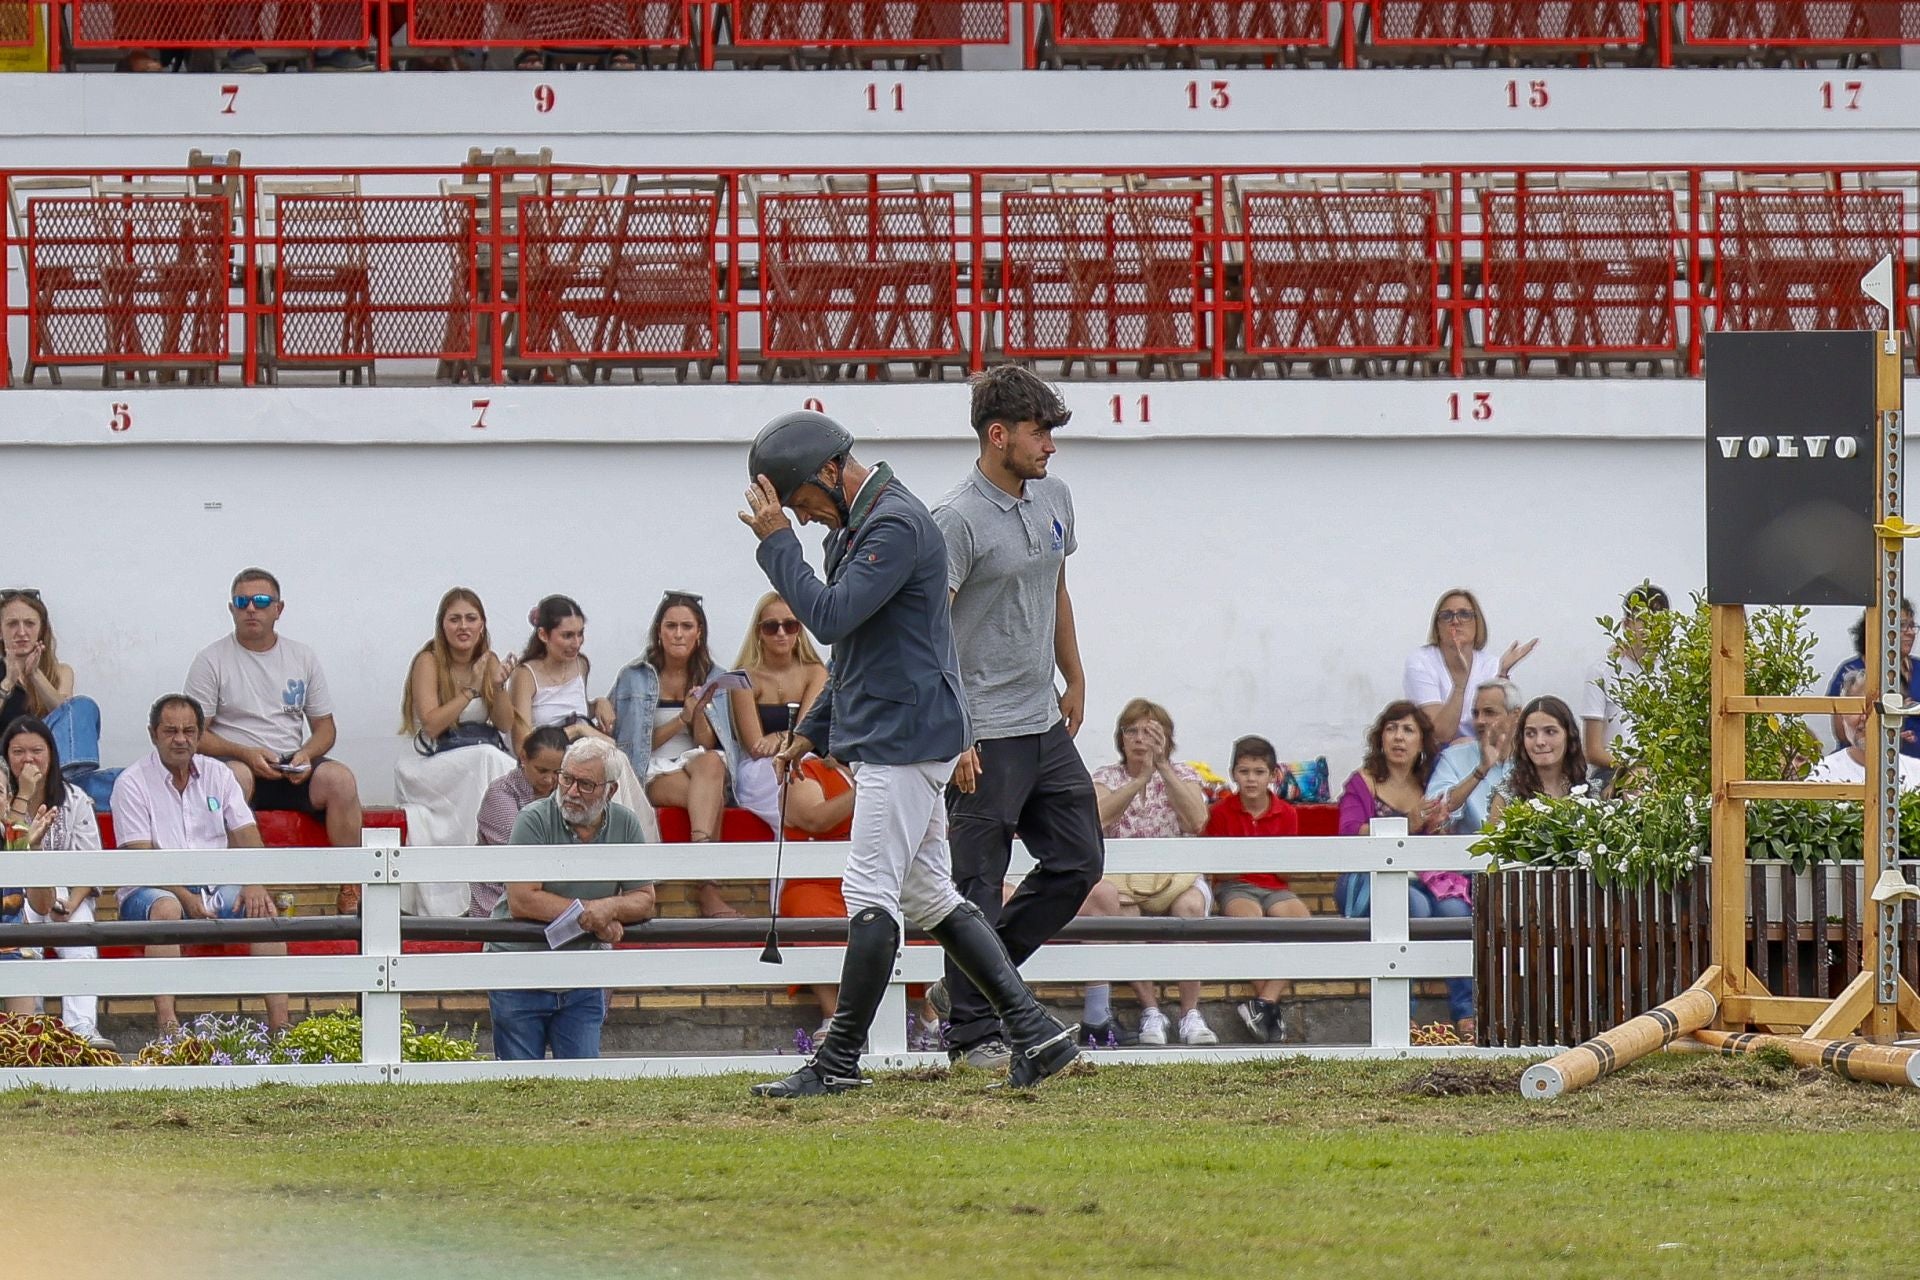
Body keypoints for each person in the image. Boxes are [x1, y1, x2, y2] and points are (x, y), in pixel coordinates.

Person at [738, 408, 1080, 1096]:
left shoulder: (894, 526)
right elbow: (855, 647)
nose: (801, 519)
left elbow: (829, 618)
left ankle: (836, 1062)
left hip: (904, 738)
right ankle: (1034, 1030)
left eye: (802, 503)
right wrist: (814, 729)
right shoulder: (866, 525)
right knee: (928, 894)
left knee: (868, 891)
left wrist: (777, 547)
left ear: (831, 474)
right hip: (905, 732)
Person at [930, 365, 1105, 1071]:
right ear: (997, 435)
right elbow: (931, 634)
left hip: (1041, 720)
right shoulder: (955, 519)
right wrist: (956, 729)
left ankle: (968, 981)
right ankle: (973, 1036)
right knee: (976, 880)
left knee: (1079, 861)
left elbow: (1056, 587)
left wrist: (1076, 673)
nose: (1051, 448)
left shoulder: (1055, 495)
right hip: (983, 731)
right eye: (1039, 433)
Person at [110, 694, 286, 1037]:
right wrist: (186, 898)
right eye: (170, 730)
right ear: (153, 734)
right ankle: (168, 1028)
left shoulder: (218, 774)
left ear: (199, 734)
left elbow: (247, 834)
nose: (180, 739)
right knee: (166, 908)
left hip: (213, 888)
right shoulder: (131, 782)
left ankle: (281, 1026)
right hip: (149, 890)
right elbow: (142, 859)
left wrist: (255, 882)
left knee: (264, 909)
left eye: (189, 731)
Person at [486, 737, 656, 1061]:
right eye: (567, 779)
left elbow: (645, 899)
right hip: (520, 970)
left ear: (611, 791)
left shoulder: (625, 823)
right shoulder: (533, 818)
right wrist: (591, 917)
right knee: (519, 1088)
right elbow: (522, 899)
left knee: (584, 1086)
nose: (571, 791)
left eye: (586, 784)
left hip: (581, 973)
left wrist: (610, 907)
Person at [184, 568, 364, 859]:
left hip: (290, 766)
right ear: (231, 610)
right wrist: (244, 753)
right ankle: (232, 887)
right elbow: (194, 734)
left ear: (279, 609)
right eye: (242, 603)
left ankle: (353, 886)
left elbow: (325, 728)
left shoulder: (302, 656)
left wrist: (306, 754)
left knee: (340, 780)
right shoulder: (210, 659)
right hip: (236, 764)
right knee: (233, 777)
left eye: (261, 601)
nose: (251, 609)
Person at [1080, 697, 1216, 1047]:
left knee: (1189, 907)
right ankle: (1151, 1011)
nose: (1140, 738)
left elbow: (1197, 821)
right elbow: (1097, 818)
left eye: (1150, 731)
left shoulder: (1184, 774)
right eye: (1132, 731)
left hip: (1176, 878)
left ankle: (1189, 1014)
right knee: (1122, 911)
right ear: (1121, 738)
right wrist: (1138, 781)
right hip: (1124, 881)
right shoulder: (1105, 777)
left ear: (1166, 738)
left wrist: (1162, 769)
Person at [1338, 702, 1472, 1037]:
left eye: (1408, 730)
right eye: (1392, 728)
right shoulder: (1363, 782)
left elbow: (1438, 840)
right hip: (1366, 879)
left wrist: (1437, 828)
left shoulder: (1430, 784)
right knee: (1414, 907)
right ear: (1380, 738)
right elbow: (1348, 832)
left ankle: (1466, 1012)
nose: (1399, 737)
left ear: (1421, 742)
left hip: (1427, 878)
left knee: (1455, 910)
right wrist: (1404, 823)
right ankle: (1402, 1014)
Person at [611, 590, 740, 919]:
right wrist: (680, 718)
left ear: (699, 633)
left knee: (711, 763)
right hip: (651, 768)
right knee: (709, 799)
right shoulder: (634, 676)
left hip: (697, 763)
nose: (678, 634)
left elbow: (707, 743)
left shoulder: (715, 676)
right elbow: (632, 747)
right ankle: (708, 887)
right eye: (671, 626)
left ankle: (701, 868)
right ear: (659, 632)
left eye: (687, 626)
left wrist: (698, 714)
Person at [393, 590, 517, 910]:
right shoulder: (429, 660)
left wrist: (499, 686)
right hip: (434, 760)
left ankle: (499, 877)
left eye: (471, 618)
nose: (463, 626)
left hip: (478, 754)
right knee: (489, 760)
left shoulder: (488, 660)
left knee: (499, 763)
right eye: (455, 619)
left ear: (482, 625)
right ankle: (468, 887)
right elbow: (432, 724)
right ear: (442, 625)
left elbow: (504, 723)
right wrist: (471, 690)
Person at [5, 716, 113, 1049]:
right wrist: (22, 794)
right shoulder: (2, 793)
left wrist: (71, 902)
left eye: (36, 750)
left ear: (51, 754)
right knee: (26, 937)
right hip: (15, 893)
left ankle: (81, 1029)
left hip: (69, 893)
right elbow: (12, 850)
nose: (28, 759)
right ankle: (30, 1032)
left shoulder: (74, 798)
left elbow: (91, 864)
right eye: (18, 752)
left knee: (80, 930)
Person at [508, 594, 651, 836]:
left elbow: (575, 707)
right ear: (544, 635)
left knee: (615, 762)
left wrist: (599, 703)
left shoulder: (580, 665)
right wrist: (576, 730)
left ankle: (630, 837)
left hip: (586, 745)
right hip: (553, 752)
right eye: (567, 636)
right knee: (610, 761)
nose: (576, 643)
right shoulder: (525, 674)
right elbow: (522, 742)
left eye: (580, 634)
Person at [1205, 735, 1310, 1044]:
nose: (1251, 779)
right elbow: (1221, 870)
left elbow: (1286, 871)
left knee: (1305, 925)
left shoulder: (1286, 812)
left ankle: (1264, 1003)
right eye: (1244, 771)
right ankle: (1268, 1008)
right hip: (1236, 886)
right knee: (1248, 921)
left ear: (1272, 775)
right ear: (1233, 773)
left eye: (1258, 772)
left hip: (1274, 885)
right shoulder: (1221, 812)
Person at [727, 591, 830, 833]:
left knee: (808, 780)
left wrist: (778, 737)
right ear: (759, 632)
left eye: (790, 625)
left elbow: (805, 732)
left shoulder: (815, 672)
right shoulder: (743, 678)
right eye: (771, 627)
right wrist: (787, 738)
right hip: (759, 767)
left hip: (803, 758)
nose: (781, 633)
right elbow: (755, 746)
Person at [1403, 588, 1536, 745]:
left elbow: (1505, 728)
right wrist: (1459, 686)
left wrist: (1502, 674)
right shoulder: (1421, 662)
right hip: (1436, 754)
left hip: (1483, 749)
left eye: (1464, 614)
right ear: (1437, 627)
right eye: (1446, 616)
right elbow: (1441, 734)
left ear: (1477, 623)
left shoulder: (1492, 665)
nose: (1455, 621)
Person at [472, 725, 571, 918]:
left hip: (555, 903)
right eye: (541, 770)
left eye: (557, 772)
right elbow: (520, 856)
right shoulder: (500, 794)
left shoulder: (565, 793)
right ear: (523, 758)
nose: (549, 779)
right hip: (498, 907)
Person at [1583, 583, 1669, 787]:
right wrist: (1632, 766)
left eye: (1658, 620)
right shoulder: (1602, 671)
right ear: (1626, 624)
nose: (1650, 627)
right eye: (1643, 620)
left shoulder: (1672, 671)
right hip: (1612, 771)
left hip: (1663, 771)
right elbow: (1593, 750)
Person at [1825, 599, 1920, 757]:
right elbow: (1841, 733)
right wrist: (1887, 737)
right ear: (1877, 629)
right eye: (1902, 626)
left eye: (1912, 626)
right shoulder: (1850, 671)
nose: (1910, 632)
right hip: (1862, 768)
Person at [1425, 679, 1521, 834]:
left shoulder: (1533, 757)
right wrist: (1480, 771)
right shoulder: (1453, 758)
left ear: (1516, 714)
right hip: (1469, 853)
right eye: (1476, 713)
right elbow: (1436, 811)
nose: (1480, 721)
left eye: (1489, 712)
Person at [1488, 695, 1592, 824]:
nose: (1540, 742)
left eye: (1550, 732)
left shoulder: (1591, 792)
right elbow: (1492, 842)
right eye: (1530, 734)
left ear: (1568, 735)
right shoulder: (1507, 796)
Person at [1809, 671, 1920, 789]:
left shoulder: (1916, 773)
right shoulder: (1822, 774)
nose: (1865, 717)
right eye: (1857, 708)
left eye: (1877, 708)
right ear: (1841, 716)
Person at [0, 589, 74, 732]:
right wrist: (8, 682)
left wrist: (34, 674)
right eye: (12, 624)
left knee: (86, 707)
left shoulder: (62, 672)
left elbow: (67, 719)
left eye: (29, 623)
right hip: (7, 752)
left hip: (49, 752)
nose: (21, 632)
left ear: (41, 630)